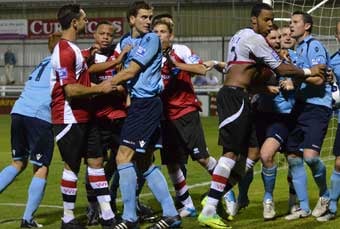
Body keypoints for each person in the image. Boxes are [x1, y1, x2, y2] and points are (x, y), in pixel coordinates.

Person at [197, 3, 326, 228]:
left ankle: (215, 197)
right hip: (235, 97)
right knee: (231, 152)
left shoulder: (241, 35)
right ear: (253, 20)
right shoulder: (255, 40)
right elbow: (281, 69)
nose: (269, 25)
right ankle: (210, 206)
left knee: (254, 152)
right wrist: (309, 71)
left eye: (272, 20)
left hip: (243, 98)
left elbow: (247, 70)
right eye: (266, 20)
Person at [109, 1, 181, 228]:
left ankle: (130, 217)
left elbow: (131, 71)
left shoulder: (151, 40)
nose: (149, 22)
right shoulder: (126, 42)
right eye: (144, 17)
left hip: (146, 104)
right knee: (143, 162)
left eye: (150, 17)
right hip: (140, 105)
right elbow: (123, 71)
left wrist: (101, 86)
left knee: (122, 157)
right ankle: (171, 214)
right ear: (131, 19)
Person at [50, 4, 116, 229]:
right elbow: (70, 90)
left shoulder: (74, 49)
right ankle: (67, 218)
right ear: (74, 22)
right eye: (84, 19)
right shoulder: (64, 50)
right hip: (69, 118)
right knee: (72, 167)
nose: (86, 22)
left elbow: (80, 76)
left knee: (96, 163)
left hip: (86, 116)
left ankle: (108, 217)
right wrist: (100, 88)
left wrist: (90, 58)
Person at [152, 18, 217, 218]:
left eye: (162, 31)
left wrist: (175, 64)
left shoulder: (181, 50)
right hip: (165, 116)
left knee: (202, 158)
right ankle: (187, 204)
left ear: (170, 35)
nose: (158, 35)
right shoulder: (149, 55)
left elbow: (200, 69)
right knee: (172, 163)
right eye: (155, 31)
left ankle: (226, 191)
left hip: (185, 111)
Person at [0, 32, 60, 228]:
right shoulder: (62, 64)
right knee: (41, 166)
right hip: (39, 115)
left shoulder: (43, 60)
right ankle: (27, 219)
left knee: (18, 163)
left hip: (19, 110)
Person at [284, 11, 332, 221]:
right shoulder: (298, 48)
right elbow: (304, 76)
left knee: (310, 158)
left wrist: (297, 75)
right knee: (293, 156)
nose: (291, 26)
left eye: (295, 22)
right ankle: (303, 207)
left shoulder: (314, 46)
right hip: (301, 107)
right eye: (290, 22)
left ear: (307, 26)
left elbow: (320, 80)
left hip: (317, 107)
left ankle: (325, 195)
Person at [317, 20, 340, 222]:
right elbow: (333, 91)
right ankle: (332, 209)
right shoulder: (333, 62)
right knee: (339, 163)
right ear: (336, 36)